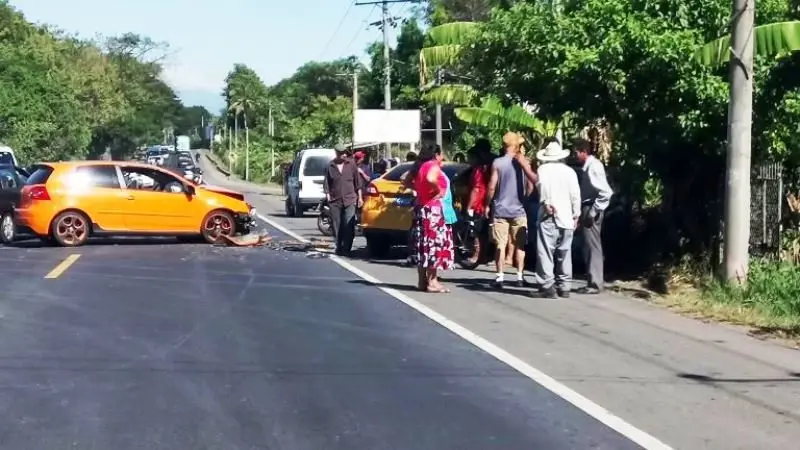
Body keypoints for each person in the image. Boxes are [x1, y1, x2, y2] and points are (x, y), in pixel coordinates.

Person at [485, 132, 538, 288]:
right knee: (520, 245)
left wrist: (488, 204)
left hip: (501, 209)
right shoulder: (524, 162)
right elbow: (530, 185)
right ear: (517, 145)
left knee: (500, 244)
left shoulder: (498, 163)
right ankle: (520, 277)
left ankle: (500, 277)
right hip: (519, 210)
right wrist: (524, 199)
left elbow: (492, 186)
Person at [533, 140, 581, 298]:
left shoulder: (543, 169)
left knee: (546, 251)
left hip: (550, 215)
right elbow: (575, 194)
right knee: (565, 253)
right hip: (567, 217)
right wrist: (576, 214)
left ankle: (547, 285)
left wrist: (546, 203)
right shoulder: (570, 172)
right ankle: (565, 286)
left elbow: (543, 188)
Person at [404, 144, 454, 293]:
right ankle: (432, 281)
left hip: (422, 209)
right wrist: (438, 190)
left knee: (423, 245)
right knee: (433, 245)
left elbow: (405, 181)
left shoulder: (419, 166)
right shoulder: (433, 166)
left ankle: (422, 281)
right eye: (441, 155)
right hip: (433, 210)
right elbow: (430, 178)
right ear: (436, 154)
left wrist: (419, 190)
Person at [574, 138, 613, 294]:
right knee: (588, 245)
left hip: (592, 207)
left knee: (593, 245)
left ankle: (595, 283)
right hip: (588, 206)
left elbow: (605, 192)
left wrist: (594, 210)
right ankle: (592, 280)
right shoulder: (588, 167)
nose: (575, 155)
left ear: (584, 152)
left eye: (576, 152)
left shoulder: (594, 167)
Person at [323, 144, 363, 256]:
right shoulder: (330, 166)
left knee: (348, 224)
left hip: (350, 198)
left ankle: (347, 248)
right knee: (337, 225)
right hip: (335, 200)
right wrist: (328, 196)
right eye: (341, 153)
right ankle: (339, 246)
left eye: (344, 153)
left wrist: (359, 197)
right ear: (336, 153)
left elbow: (357, 182)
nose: (343, 155)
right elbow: (327, 183)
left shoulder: (351, 164)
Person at [465, 139, 492, 265]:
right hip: (485, 202)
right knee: (483, 233)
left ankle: (476, 255)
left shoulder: (478, 170)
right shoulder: (488, 167)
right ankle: (483, 256)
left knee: (476, 232)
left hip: (478, 204)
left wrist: (469, 206)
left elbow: (476, 189)